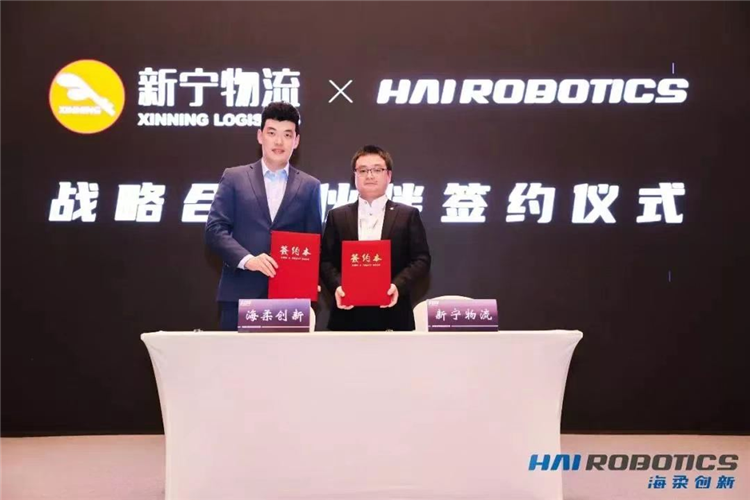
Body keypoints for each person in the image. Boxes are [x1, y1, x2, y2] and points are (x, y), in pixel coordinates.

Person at [205, 102, 322, 330]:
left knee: (286, 355)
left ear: (296, 141)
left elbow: (313, 242)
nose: (279, 142)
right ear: (260, 136)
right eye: (272, 133)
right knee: (236, 355)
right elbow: (215, 230)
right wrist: (248, 260)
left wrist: (308, 279)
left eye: (287, 135)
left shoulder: (310, 186)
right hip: (240, 294)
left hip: (289, 299)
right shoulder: (234, 178)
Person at [320, 145, 431, 331]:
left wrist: (397, 286)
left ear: (388, 175)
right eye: (363, 170)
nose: (369, 176)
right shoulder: (337, 216)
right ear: (354, 176)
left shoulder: (407, 215)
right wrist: (339, 287)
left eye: (377, 170)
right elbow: (325, 261)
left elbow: (421, 259)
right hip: (347, 315)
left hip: (394, 314)